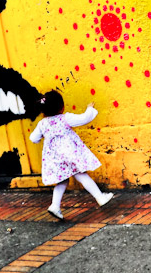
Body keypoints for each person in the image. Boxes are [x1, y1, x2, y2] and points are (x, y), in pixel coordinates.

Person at [30, 90, 113, 220]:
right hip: (69, 155)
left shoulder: (42, 124)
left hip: (55, 159)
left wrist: (43, 136)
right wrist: (89, 109)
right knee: (81, 175)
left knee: (62, 181)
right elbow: (84, 118)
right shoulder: (65, 118)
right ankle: (100, 197)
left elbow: (33, 138)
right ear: (61, 107)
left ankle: (55, 206)